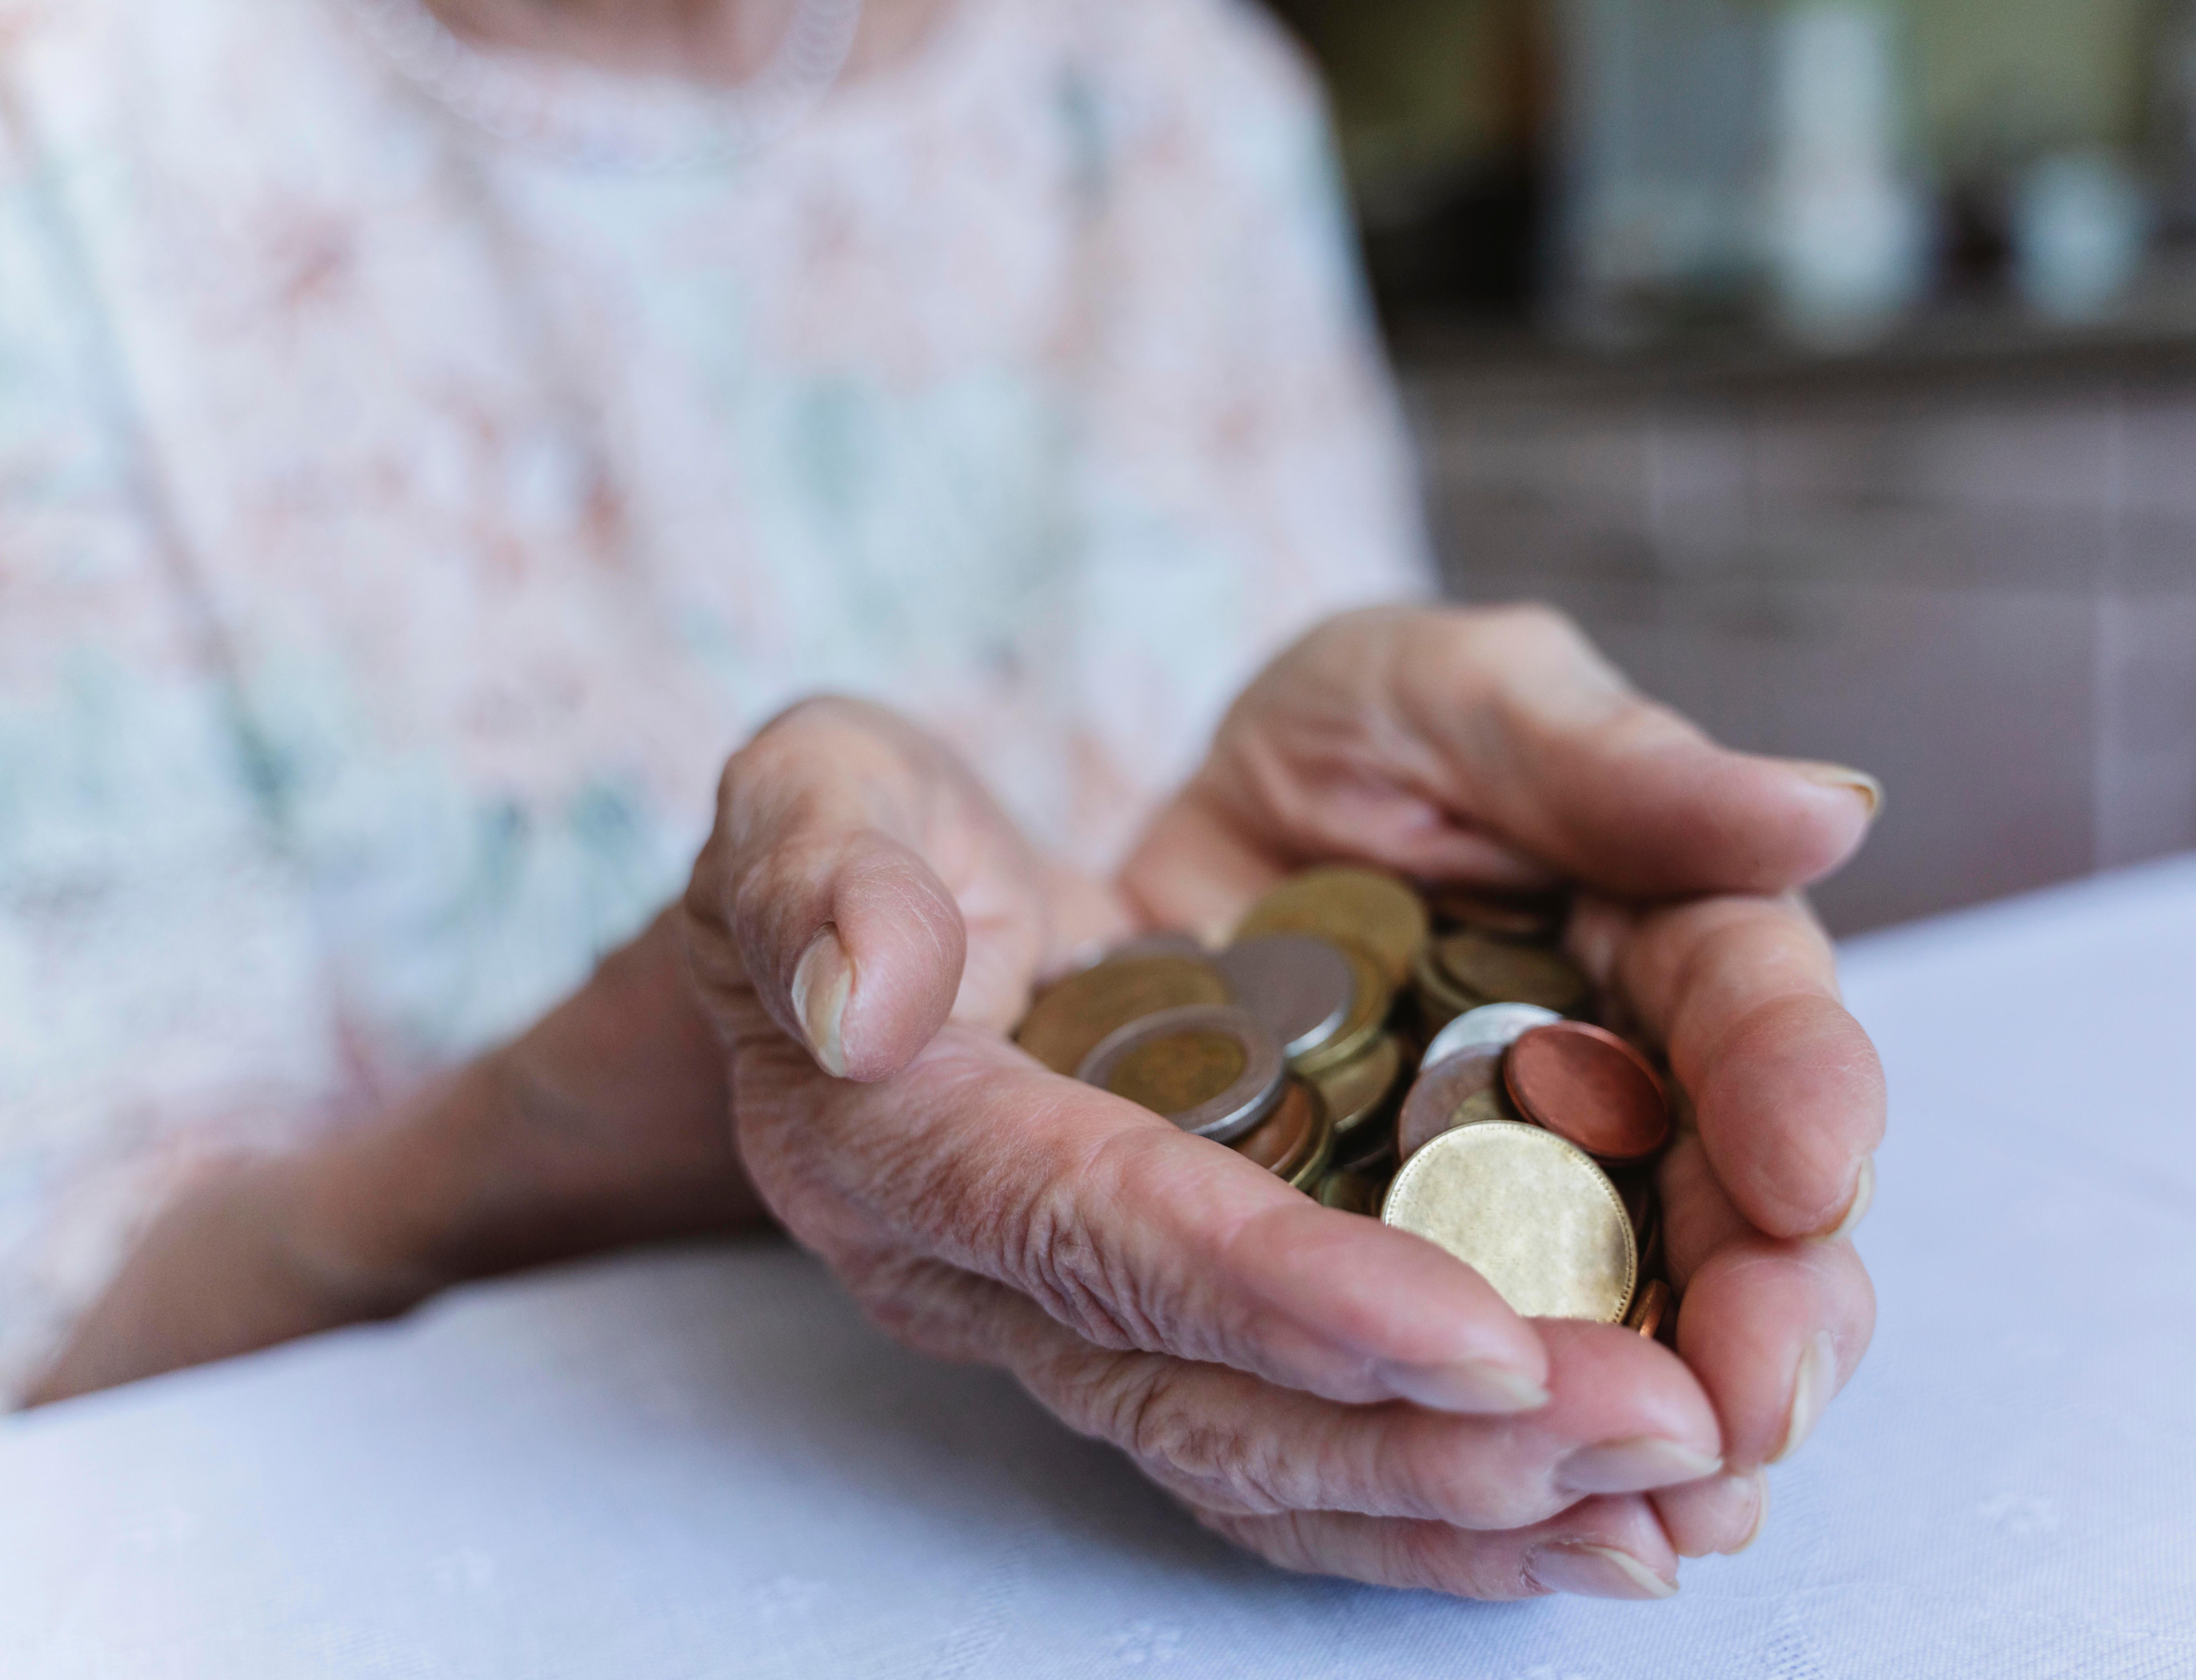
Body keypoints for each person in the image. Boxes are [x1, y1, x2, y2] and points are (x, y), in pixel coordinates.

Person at [0, 0, 1886, 1602]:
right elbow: (58, 1354)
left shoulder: (1170, 91)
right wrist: (561, 1126)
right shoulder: (67, 134)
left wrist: (1478, 858)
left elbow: (1298, 876)